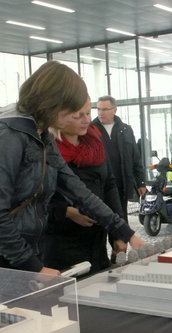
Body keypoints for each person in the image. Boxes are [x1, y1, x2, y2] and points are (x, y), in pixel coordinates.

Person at [0, 60, 144, 275]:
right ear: (54, 103)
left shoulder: (42, 135)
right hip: (10, 260)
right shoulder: (9, 136)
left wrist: (126, 232)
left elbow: (78, 191)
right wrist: (33, 267)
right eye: (74, 112)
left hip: (28, 253)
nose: (80, 118)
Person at [42, 98, 127, 272]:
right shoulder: (45, 148)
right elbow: (34, 198)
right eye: (78, 115)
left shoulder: (95, 142)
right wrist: (66, 212)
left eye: (88, 113)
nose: (86, 120)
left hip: (96, 241)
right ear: (59, 116)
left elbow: (109, 185)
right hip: (61, 243)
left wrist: (117, 233)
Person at [92, 95, 146, 222]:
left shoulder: (126, 130)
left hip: (121, 184)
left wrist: (140, 182)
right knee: (100, 221)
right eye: (98, 109)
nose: (100, 113)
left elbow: (136, 158)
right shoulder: (90, 130)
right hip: (99, 185)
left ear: (114, 110)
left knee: (121, 219)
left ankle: (121, 241)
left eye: (104, 109)